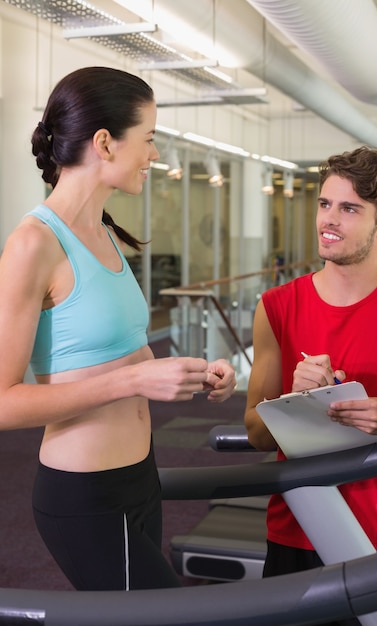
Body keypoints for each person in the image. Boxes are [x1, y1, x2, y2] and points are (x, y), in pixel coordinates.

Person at [0, 66, 236, 592]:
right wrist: (131, 383)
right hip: (83, 495)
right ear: (105, 142)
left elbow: (121, 354)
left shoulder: (105, 231)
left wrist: (197, 376)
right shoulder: (32, 245)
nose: (155, 155)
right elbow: (3, 401)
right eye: (149, 139)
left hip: (140, 475)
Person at [244, 146, 377, 625]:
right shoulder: (276, 306)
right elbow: (256, 432)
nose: (329, 219)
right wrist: (294, 402)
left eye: (349, 208)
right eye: (325, 204)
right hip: (298, 528)